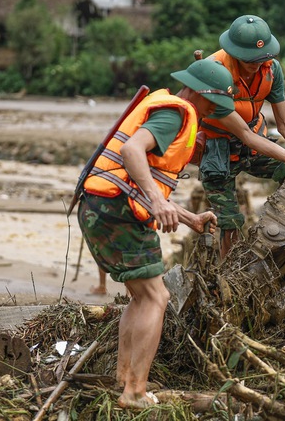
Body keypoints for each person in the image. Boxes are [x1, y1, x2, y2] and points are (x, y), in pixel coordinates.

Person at [77, 58, 235, 409]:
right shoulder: (176, 113)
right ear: (197, 93)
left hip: (99, 207)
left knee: (141, 296)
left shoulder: (165, 107)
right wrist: (158, 202)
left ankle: (123, 379)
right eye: (212, 104)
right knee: (156, 298)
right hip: (119, 212)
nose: (211, 113)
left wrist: (187, 217)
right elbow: (131, 151)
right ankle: (135, 393)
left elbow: (134, 177)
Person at [199, 15, 285, 258]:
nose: (257, 64)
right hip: (218, 149)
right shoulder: (215, 72)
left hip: (255, 144)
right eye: (251, 60)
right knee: (230, 222)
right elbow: (244, 134)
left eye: (262, 58)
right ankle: (229, 275)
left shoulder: (272, 70)